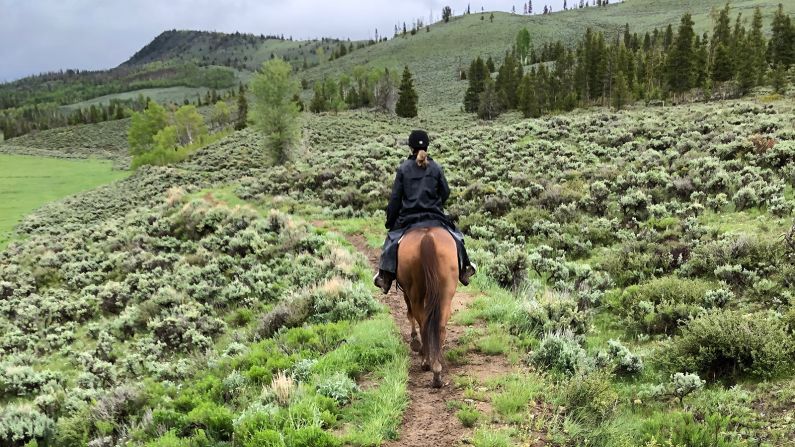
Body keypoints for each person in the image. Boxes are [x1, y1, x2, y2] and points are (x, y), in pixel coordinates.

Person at [373, 130, 476, 294]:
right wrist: (436, 204)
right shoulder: (435, 167)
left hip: (409, 219)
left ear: (410, 147)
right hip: (434, 217)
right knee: (457, 237)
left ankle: (385, 277)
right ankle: (464, 269)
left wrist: (390, 221)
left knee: (391, 242)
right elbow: (446, 192)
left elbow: (395, 199)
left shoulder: (404, 169)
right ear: (427, 146)